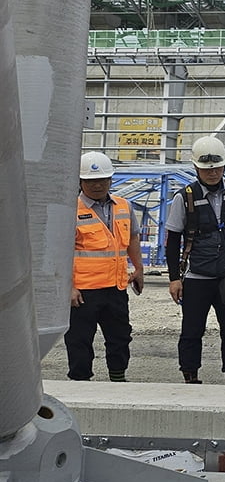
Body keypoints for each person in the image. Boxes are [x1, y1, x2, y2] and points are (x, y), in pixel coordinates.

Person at [165, 136, 225, 385]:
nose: (212, 173)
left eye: (217, 167)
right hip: (197, 278)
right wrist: (174, 279)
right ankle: (190, 375)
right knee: (192, 331)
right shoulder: (185, 197)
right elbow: (172, 241)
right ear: (196, 168)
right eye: (206, 169)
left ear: (224, 166)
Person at [66, 152, 145, 382]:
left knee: (120, 337)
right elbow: (60, 253)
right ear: (80, 182)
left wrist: (138, 268)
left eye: (103, 179)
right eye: (91, 181)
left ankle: (118, 378)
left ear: (111, 180)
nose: (98, 185)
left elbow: (132, 239)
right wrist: (68, 288)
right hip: (83, 290)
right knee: (79, 340)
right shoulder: (70, 209)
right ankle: (80, 383)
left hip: (116, 287)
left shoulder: (123, 206)